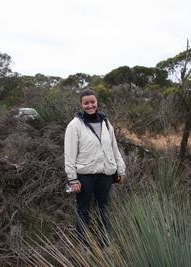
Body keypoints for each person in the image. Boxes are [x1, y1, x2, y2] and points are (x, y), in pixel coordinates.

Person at [64, 88, 126, 246]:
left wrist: (121, 168)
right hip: (85, 175)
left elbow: (114, 147)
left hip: (105, 174)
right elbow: (69, 155)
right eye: (86, 103)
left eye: (92, 102)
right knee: (83, 210)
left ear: (97, 102)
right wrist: (73, 179)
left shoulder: (105, 122)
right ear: (81, 104)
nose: (90, 105)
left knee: (103, 209)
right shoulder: (75, 125)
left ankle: (104, 243)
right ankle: (83, 245)